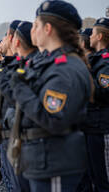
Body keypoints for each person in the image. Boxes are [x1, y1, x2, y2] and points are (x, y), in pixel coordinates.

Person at [10, 1, 92, 190]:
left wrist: (21, 88)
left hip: (55, 162)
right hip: (44, 160)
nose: (33, 31)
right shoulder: (54, 64)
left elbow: (53, 119)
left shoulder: (64, 69)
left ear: (47, 29)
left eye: (36, 25)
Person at [83, 17, 109, 191]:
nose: (89, 37)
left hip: (102, 128)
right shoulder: (95, 60)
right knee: (95, 179)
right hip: (91, 126)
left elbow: (105, 92)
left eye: (92, 33)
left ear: (99, 37)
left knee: (104, 180)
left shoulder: (106, 61)